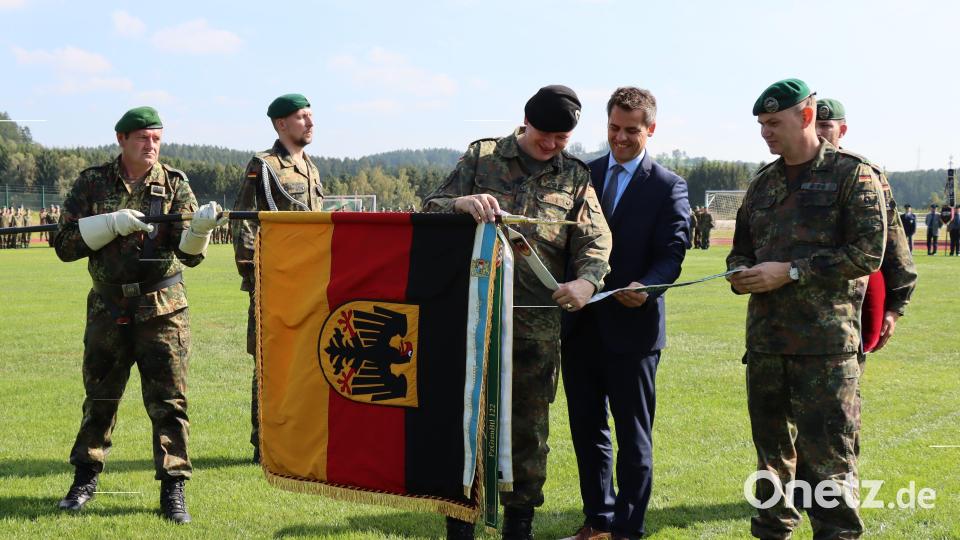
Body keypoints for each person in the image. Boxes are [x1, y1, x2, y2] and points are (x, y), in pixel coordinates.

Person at [423, 85, 612, 540]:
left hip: (535, 327)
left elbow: (595, 240)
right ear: (525, 123)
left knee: (529, 430)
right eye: (544, 135)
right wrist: (461, 204)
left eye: (562, 139)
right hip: (471, 322)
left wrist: (587, 281)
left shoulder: (574, 175)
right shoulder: (482, 158)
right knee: (463, 422)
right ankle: (460, 521)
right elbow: (429, 208)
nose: (551, 146)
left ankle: (519, 523)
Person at [727, 79, 886, 540]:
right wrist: (740, 273)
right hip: (767, 347)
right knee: (770, 462)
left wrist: (792, 271)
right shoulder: (762, 183)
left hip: (826, 352)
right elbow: (741, 250)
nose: (766, 133)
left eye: (774, 123)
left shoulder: (853, 175)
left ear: (808, 115)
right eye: (761, 124)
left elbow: (867, 253)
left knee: (829, 467)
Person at [53, 106, 224, 524]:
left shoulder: (175, 185)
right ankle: (85, 478)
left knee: (169, 402)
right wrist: (110, 223)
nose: (152, 146)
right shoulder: (92, 183)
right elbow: (64, 245)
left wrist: (199, 229)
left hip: (162, 309)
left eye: (157, 139)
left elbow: (189, 256)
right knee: (100, 398)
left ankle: (173, 488)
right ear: (122, 140)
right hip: (108, 307)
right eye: (143, 138)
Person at [559, 87, 689, 540]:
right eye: (613, 128)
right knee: (587, 431)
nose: (620, 138)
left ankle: (627, 530)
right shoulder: (584, 174)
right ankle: (598, 521)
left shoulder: (668, 185)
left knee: (633, 439)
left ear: (650, 129)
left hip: (634, 330)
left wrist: (648, 287)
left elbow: (672, 252)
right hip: (580, 328)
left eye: (631, 130)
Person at [232, 93, 324, 464]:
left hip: (311, 283)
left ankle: (297, 438)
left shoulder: (311, 169)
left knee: (307, 362)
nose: (310, 122)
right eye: (302, 117)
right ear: (281, 124)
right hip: (277, 283)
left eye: (311, 116)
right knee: (270, 363)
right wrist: (255, 276)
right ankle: (264, 444)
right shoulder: (265, 166)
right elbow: (244, 221)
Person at [815, 97, 917, 354]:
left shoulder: (864, 175)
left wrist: (895, 309)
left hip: (849, 309)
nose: (819, 132)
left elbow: (893, 243)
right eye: (814, 124)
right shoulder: (786, 175)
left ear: (843, 130)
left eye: (826, 125)